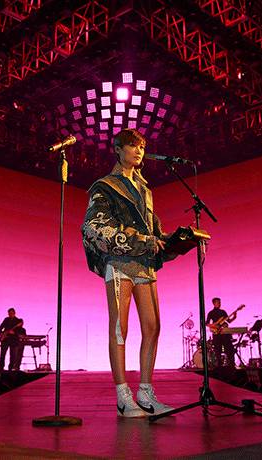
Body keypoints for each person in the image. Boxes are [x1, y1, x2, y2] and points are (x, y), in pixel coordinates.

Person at [82, 128, 175, 417]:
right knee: (120, 328)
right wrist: (140, 240)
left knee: (153, 327)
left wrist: (180, 240)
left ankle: (145, 393)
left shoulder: (145, 190)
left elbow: (154, 231)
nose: (139, 151)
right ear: (118, 150)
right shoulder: (105, 186)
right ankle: (123, 396)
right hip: (119, 262)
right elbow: (94, 226)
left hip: (144, 264)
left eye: (142, 147)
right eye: (133, 146)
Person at [205, 297, 236, 367]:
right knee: (217, 349)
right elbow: (206, 323)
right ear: (214, 303)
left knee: (229, 348)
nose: (219, 304)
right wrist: (214, 325)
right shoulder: (211, 313)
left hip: (224, 332)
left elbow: (229, 321)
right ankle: (219, 365)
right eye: (218, 302)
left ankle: (231, 364)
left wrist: (234, 316)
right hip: (216, 333)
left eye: (219, 302)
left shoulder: (223, 312)